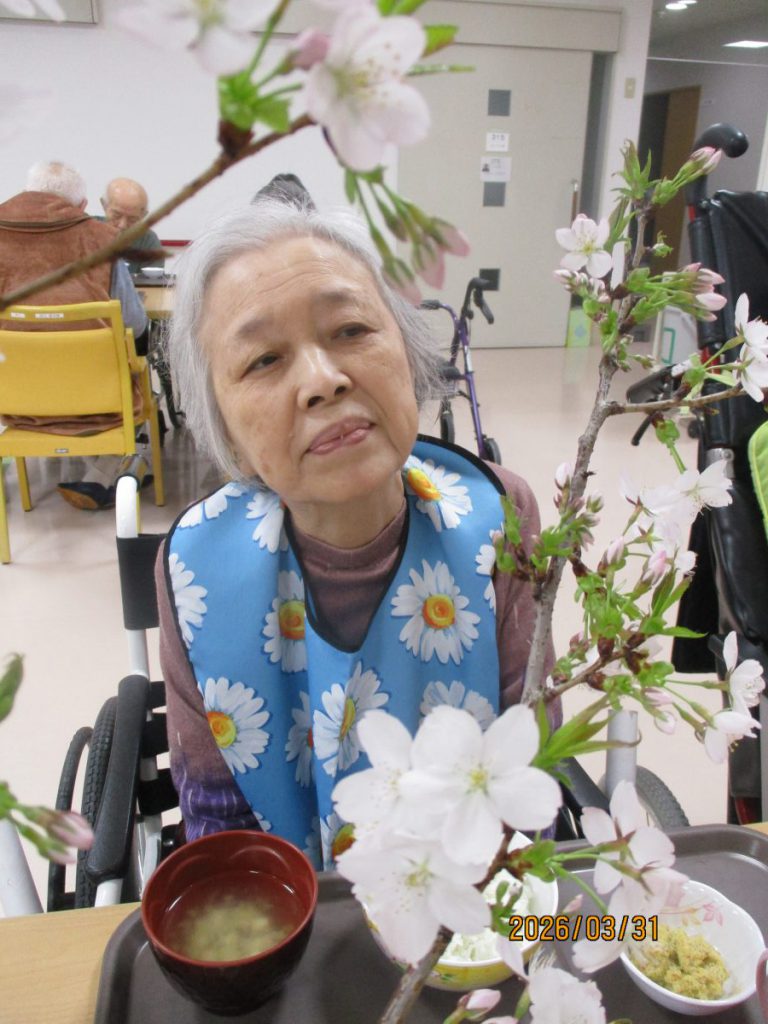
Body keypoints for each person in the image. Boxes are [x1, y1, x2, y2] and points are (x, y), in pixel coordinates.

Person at [156, 199, 557, 868]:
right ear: (225, 430)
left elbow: (530, 773)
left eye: (350, 329)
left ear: (407, 349)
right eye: (264, 360)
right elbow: (220, 827)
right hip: (287, 905)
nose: (323, 381)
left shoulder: (499, 513)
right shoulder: (196, 566)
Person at [0, 160, 151, 510]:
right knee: (137, 370)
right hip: (98, 403)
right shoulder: (101, 240)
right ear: (83, 206)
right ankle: (114, 468)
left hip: (17, 403)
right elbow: (134, 323)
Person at [100, 177, 165, 277]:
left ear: (143, 216)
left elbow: (153, 283)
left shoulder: (148, 241)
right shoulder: (84, 231)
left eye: (132, 219)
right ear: (104, 206)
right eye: (116, 216)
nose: (122, 225)